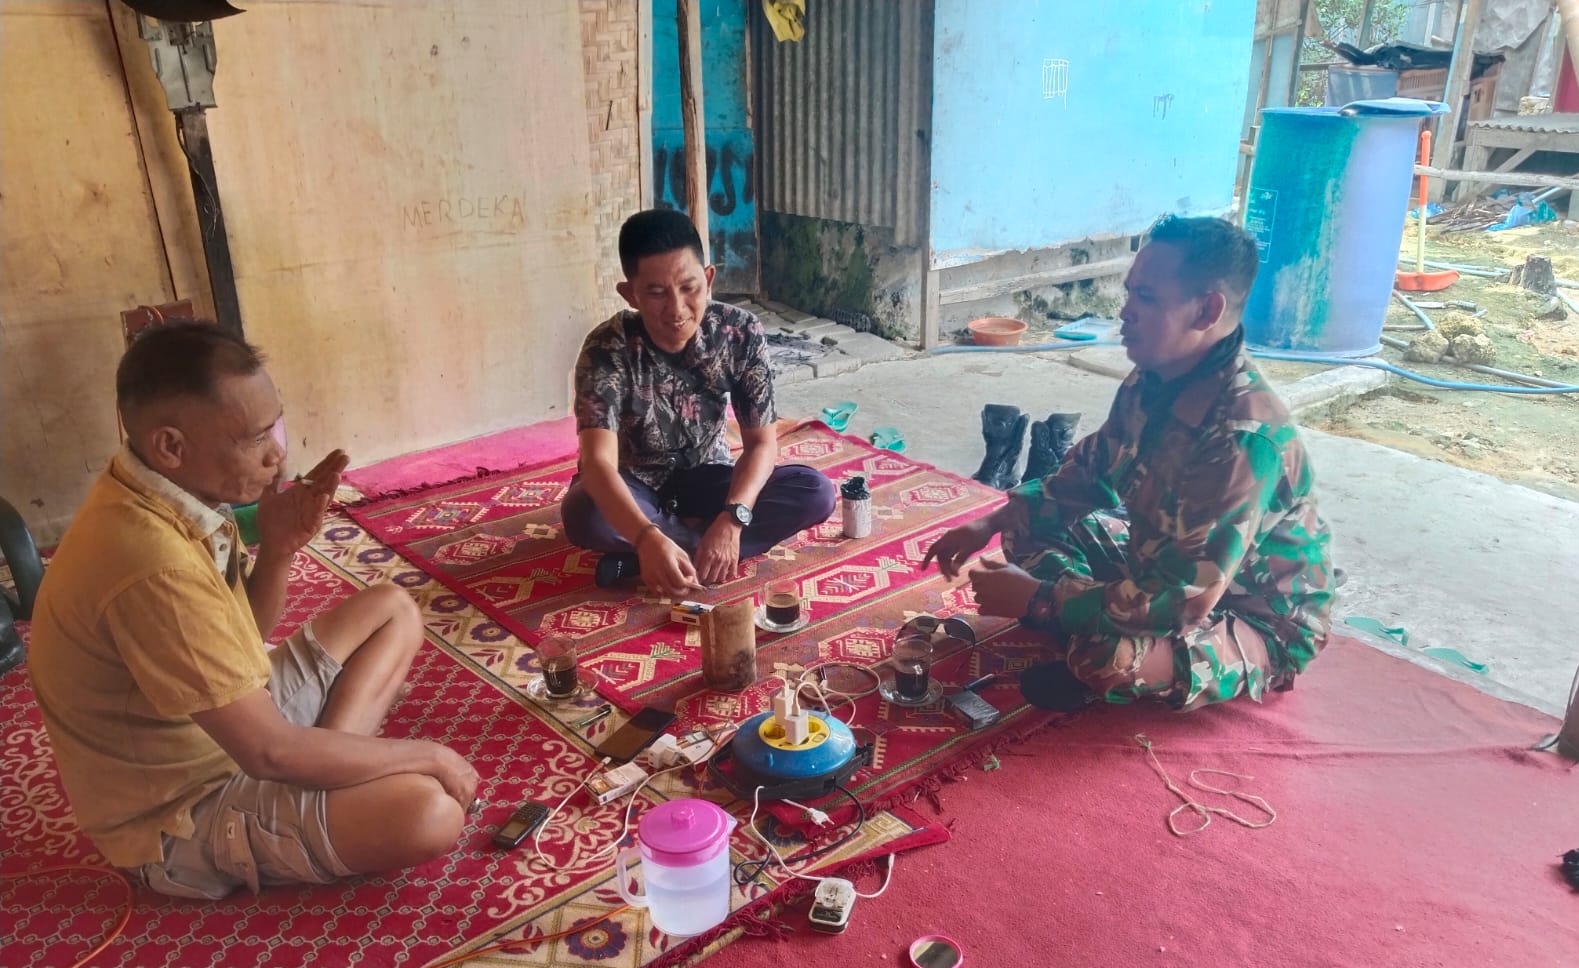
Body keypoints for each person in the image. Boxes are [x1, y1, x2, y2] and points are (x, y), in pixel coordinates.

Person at [28, 322, 480, 899]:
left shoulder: (165, 492)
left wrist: (279, 549)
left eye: (276, 426)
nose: (277, 454)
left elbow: (244, 639)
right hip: (179, 811)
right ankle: (323, 779)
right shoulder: (150, 561)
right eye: (254, 438)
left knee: (393, 609)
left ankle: (324, 777)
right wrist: (430, 755)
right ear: (171, 446)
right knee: (428, 812)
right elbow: (266, 750)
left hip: (228, 733)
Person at [924, 215, 1333, 711]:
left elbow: (1186, 599)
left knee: (1104, 659)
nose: (1125, 312)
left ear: (1207, 310)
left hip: (1253, 615)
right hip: (1160, 563)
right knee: (1024, 528)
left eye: (1147, 298)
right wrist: (987, 523)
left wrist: (1041, 599)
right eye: (1130, 292)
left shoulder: (1243, 437)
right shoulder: (1153, 380)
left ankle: (1094, 634)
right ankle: (1085, 618)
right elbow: (1087, 475)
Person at [564, 209, 837, 595]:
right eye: (656, 293)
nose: (676, 309)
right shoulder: (606, 348)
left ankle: (646, 560)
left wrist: (734, 518)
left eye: (689, 288)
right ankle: (670, 549)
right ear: (630, 294)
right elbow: (597, 465)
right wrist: (645, 536)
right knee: (586, 513)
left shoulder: (740, 333)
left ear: (708, 279)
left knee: (815, 491)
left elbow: (761, 444)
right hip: (634, 484)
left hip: (708, 477)